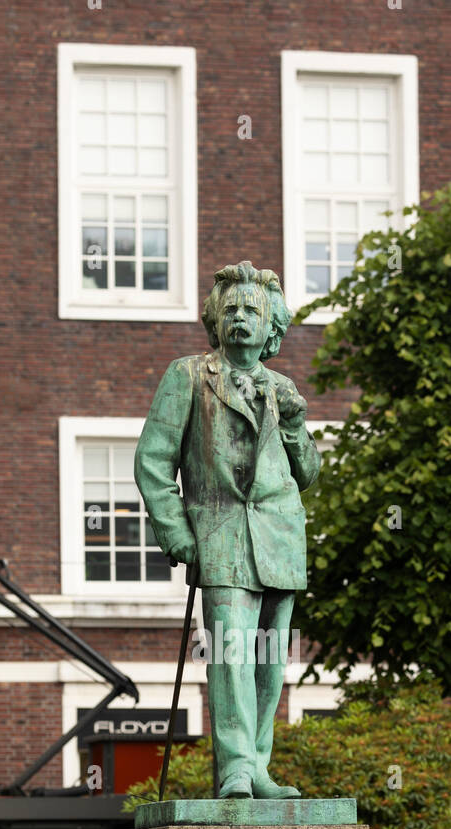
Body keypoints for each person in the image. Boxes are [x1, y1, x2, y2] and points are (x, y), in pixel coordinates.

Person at [135, 261, 321, 798]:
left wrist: (293, 424)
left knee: (268, 659)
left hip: (280, 540)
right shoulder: (188, 375)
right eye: (231, 310)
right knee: (230, 651)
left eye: (252, 312)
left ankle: (258, 768)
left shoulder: (282, 388)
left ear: (272, 329)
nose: (240, 319)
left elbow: (306, 474)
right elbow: (152, 461)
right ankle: (236, 767)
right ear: (216, 322)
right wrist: (176, 532)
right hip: (219, 536)